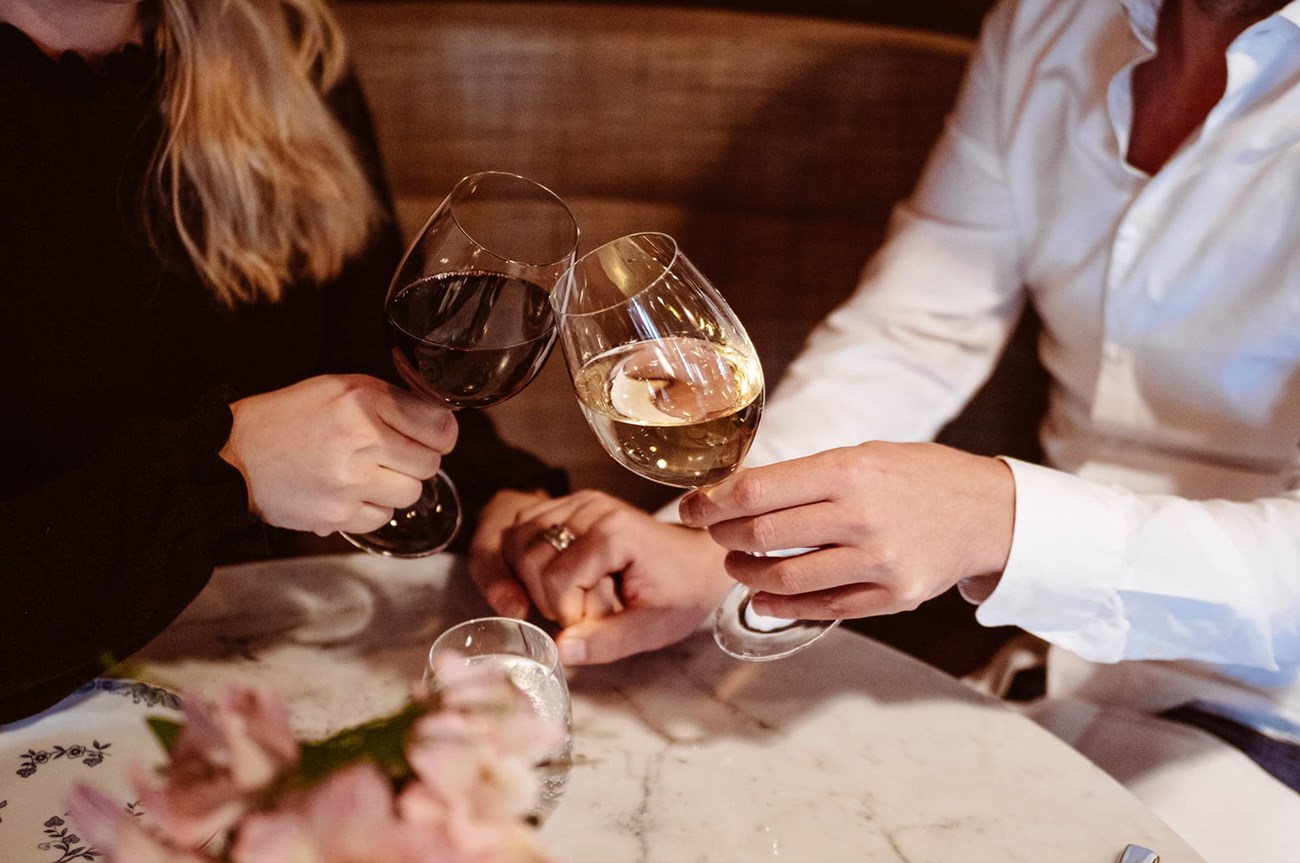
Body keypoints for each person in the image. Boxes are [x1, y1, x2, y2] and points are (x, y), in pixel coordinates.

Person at [469, 0, 1300, 857]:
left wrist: (1003, 522)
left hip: (1272, 715)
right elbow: (914, 332)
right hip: (1042, 666)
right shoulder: (1048, 19)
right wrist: (714, 545)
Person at [0, 0, 565, 724]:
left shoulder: (281, 42)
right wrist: (226, 468)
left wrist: (508, 506)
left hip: (254, 677)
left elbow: (374, 358)